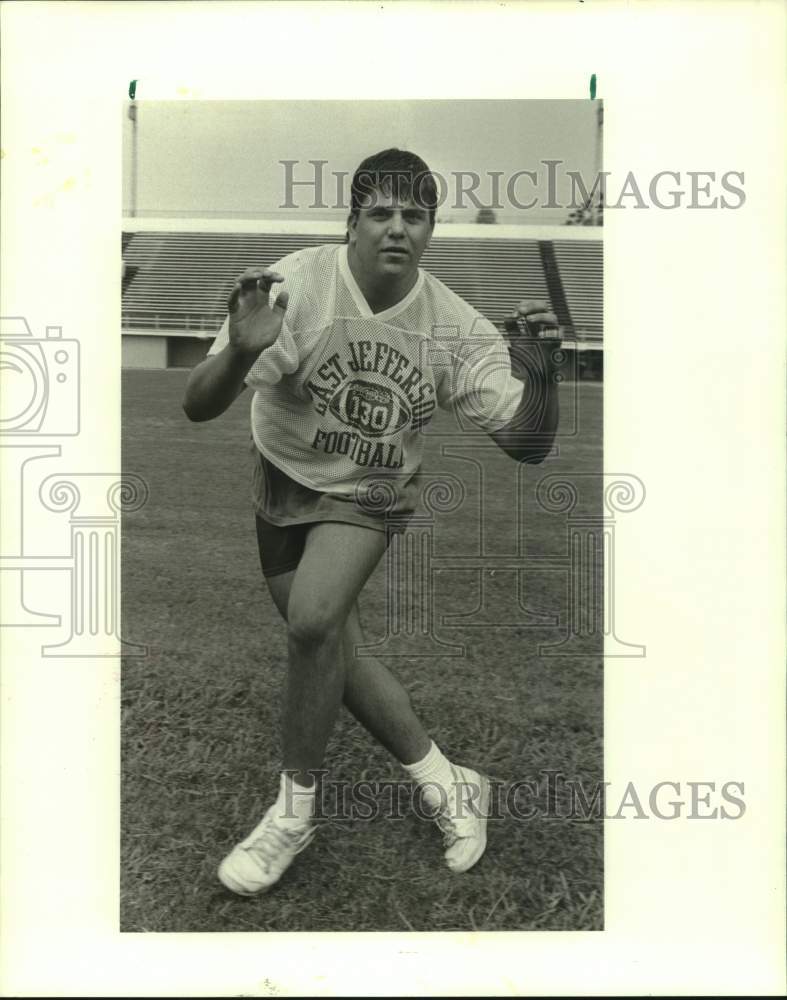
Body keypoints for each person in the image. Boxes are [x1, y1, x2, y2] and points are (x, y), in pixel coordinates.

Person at [182, 148, 560, 896]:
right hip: (281, 476)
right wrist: (238, 356)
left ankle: (290, 816)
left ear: (430, 229)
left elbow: (527, 444)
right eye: (380, 212)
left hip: (373, 488)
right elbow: (197, 404)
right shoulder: (297, 287)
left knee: (314, 620)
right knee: (333, 654)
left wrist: (544, 374)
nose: (397, 228)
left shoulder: (450, 323)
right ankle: (449, 783)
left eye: (413, 215)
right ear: (351, 221)